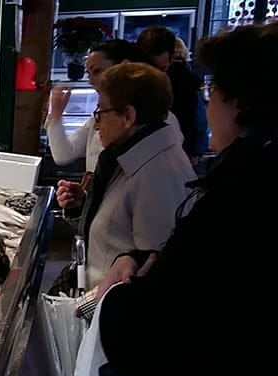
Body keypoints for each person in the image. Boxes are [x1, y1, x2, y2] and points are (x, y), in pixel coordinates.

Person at [97, 22, 278, 376]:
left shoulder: (242, 193)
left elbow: (176, 323)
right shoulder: (246, 178)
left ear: (243, 101)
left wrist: (119, 300)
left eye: (214, 89)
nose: (208, 102)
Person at [58, 62, 195, 291]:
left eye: (101, 112)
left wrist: (90, 307)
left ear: (128, 115)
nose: (96, 123)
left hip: (113, 315)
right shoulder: (128, 157)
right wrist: (84, 205)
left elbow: (151, 273)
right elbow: (117, 230)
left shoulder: (159, 174)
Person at [46, 39, 179, 172]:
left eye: (97, 71)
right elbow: (63, 155)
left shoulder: (158, 119)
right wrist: (56, 115)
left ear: (124, 67)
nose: (91, 81)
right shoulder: (102, 115)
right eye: (89, 74)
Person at [138, 26, 207, 161]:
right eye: (149, 67)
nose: (155, 75)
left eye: (161, 69)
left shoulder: (187, 82)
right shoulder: (129, 81)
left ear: (171, 57)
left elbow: (199, 120)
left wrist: (194, 151)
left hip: (178, 153)